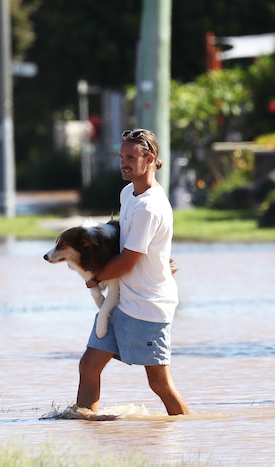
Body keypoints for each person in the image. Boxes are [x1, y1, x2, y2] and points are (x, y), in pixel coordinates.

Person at [75, 128, 189, 416]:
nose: (123, 163)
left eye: (130, 157)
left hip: (148, 306)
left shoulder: (150, 207)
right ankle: (85, 424)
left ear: (149, 158)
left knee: (159, 384)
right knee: (89, 366)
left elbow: (127, 262)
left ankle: (187, 430)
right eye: (121, 156)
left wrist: (95, 278)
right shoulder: (129, 193)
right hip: (121, 300)